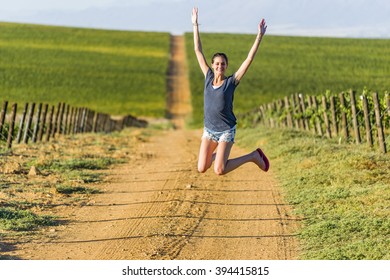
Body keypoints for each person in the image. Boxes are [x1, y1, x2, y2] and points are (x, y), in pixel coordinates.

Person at [192, 7, 270, 176]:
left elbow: (248, 59)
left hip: (226, 130)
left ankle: (254, 156)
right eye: (217, 63)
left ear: (226, 66)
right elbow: (198, 50)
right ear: (213, 65)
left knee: (219, 170)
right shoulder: (208, 77)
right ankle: (217, 155)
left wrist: (259, 36)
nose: (220, 66)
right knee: (201, 168)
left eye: (223, 64)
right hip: (209, 130)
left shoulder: (231, 82)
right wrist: (195, 25)